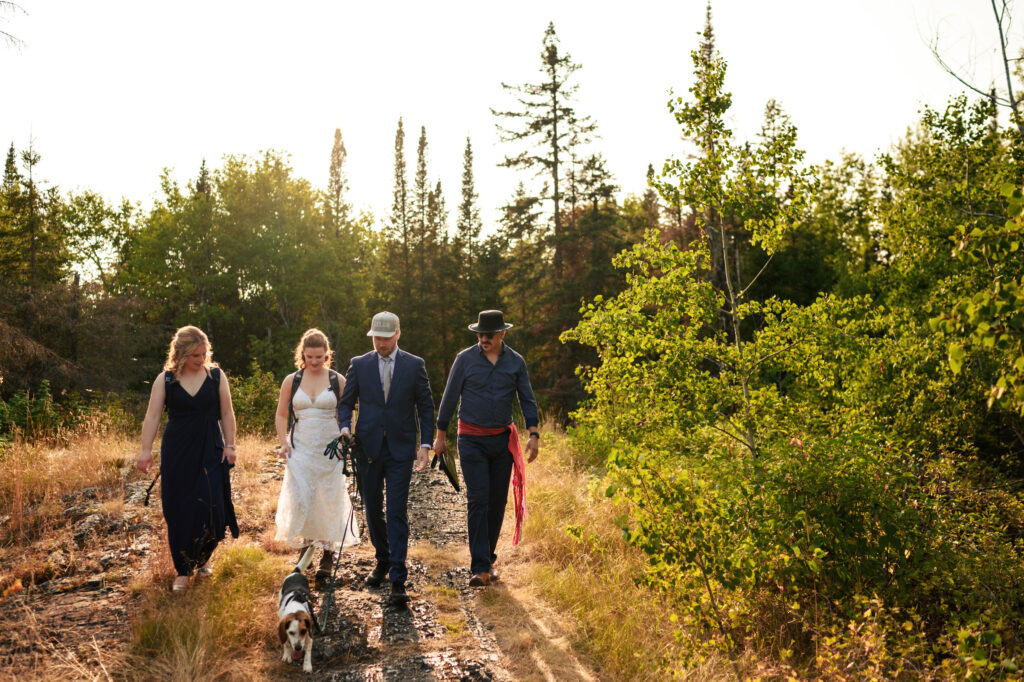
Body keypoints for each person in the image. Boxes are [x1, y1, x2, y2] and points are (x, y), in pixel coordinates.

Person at [433, 310, 539, 588]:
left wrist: (534, 433)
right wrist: (440, 435)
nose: (483, 339)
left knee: (496, 503)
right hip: (471, 440)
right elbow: (449, 396)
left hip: (502, 442)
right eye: (479, 334)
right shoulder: (464, 360)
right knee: (478, 500)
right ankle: (479, 566)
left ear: (502, 334)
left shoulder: (515, 362)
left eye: (488, 335)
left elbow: (527, 398)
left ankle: (489, 559)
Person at [336, 311, 434, 607]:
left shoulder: (415, 365)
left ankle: (398, 578)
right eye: (376, 338)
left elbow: (426, 408)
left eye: (386, 338)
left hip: (401, 449)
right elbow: (345, 404)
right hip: (367, 449)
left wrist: (426, 445)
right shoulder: (359, 364)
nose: (381, 343)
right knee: (372, 508)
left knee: (396, 511)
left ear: (398, 334)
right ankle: (382, 559)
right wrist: (344, 429)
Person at [137, 326, 239, 592]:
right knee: (179, 506)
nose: (201, 359)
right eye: (195, 355)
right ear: (181, 354)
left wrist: (231, 445)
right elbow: (152, 417)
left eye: (204, 353)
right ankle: (183, 569)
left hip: (211, 446)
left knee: (213, 505)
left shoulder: (216, 376)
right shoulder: (166, 380)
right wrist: (145, 450)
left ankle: (203, 557)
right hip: (178, 448)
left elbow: (227, 413)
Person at [274, 329, 359, 587]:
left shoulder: (337, 380)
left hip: (330, 447)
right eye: (310, 357)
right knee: (304, 497)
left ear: (327, 355)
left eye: (319, 357)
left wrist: (347, 437)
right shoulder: (292, 380)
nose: (314, 361)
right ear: (302, 354)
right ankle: (306, 549)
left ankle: (328, 556)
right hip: (301, 447)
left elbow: (347, 412)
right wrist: (283, 443)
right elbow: (281, 415)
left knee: (329, 497)